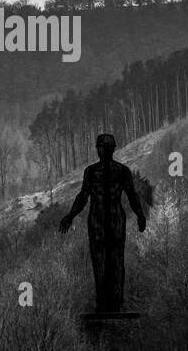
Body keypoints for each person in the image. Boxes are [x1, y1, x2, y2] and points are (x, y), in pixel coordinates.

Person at [58, 133, 146, 312]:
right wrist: (71, 215)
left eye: (106, 147)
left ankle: (113, 304)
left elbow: (132, 195)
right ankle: (105, 303)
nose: (103, 150)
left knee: (113, 261)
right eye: (101, 147)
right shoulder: (96, 171)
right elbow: (83, 195)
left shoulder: (120, 171)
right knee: (103, 262)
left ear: (112, 149)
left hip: (111, 221)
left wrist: (140, 214)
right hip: (101, 221)